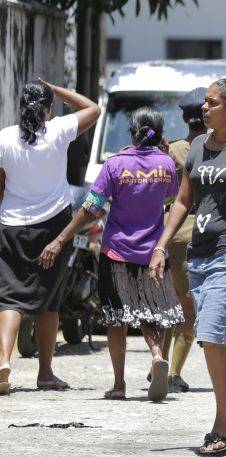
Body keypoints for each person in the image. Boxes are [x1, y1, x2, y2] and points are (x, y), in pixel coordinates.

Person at [152, 78, 226, 453]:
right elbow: (183, 202)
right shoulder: (197, 149)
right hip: (200, 256)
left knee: (210, 331)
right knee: (214, 339)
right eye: (204, 103)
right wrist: (159, 246)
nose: (203, 109)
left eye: (211, 103)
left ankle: (221, 426)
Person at [40, 106, 183, 402]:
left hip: (117, 251)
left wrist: (62, 237)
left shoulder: (115, 164)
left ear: (132, 131)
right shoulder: (166, 165)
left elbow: (92, 206)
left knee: (116, 318)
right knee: (150, 312)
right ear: (160, 135)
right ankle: (157, 354)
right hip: (154, 253)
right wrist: (163, 154)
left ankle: (119, 384)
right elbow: (171, 196)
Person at [0, 79, 100, 396]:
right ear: (47, 108)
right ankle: (45, 373)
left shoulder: (3, 139)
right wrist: (55, 89)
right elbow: (93, 108)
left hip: (11, 227)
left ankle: (3, 361)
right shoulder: (57, 131)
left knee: (9, 299)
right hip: (54, 228)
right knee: (49, 302)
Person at [159, 87, 208, 394]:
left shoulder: (173, 149)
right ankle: (173, 372)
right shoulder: (216, 148)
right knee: (189, 309)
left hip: (168, 232)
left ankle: (159, 361)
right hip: (198, 231)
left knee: (169, 304)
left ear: (183, 118)